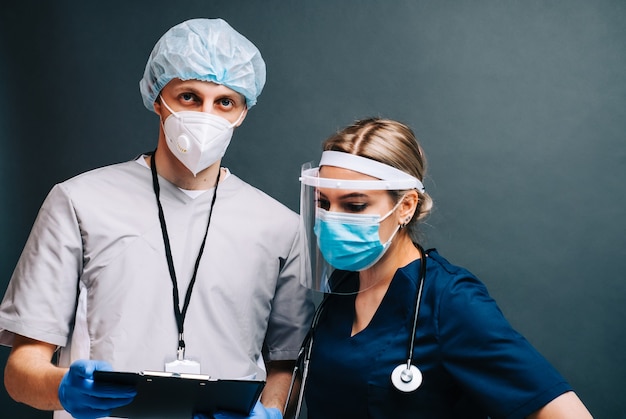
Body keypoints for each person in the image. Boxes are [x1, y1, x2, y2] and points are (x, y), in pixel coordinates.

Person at [0, 18, 313, 419]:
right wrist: (61, 389)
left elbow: (287, 365)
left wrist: (269, 413)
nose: (206, 114)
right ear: (157, 97)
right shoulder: (78, 202)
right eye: (188, 96)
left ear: (243, 112)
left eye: (224, 102)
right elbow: (20, 371)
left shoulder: (280, 227)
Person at [292, 117, 592, 418]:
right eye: (323, 203)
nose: (332, 219)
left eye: (355, 206)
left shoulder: (450, 300)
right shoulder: (343, 287)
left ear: (406, 206)